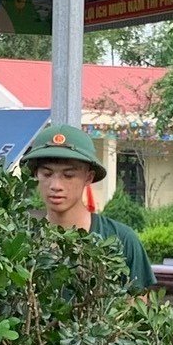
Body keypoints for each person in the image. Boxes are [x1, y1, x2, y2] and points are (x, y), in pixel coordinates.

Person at [17, 121, 152, 290]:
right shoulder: (20, 241)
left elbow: (136, 310)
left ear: (88, 177)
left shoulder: (121, 239)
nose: (56, 185)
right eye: (47, 174)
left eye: (68, 175)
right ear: (36, 174)